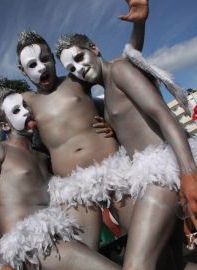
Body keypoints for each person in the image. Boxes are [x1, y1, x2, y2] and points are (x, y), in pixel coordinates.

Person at [0, 1, 148, 253]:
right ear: (22, 70)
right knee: (85, 255)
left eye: (45, 59)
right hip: (73, 187)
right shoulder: (27, 101)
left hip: (114, 169)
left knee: (145, 242)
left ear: (53, 57)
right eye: (32, 65)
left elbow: (119, 68)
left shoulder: (75, 80)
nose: (41, 67)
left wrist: (139, 25)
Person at [55, 29, 197, 270]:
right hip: (146, 179)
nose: (78, 69)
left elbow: (162, 115)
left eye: (79, 59)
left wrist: (188, 173)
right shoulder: (107, 93)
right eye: (71, 69)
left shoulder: (119, 70)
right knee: (173, 263)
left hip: (164, 172)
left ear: (94, 48)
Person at [0, 88, 125, 270]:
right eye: (17, 110)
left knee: (84, 199)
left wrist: (108, 130)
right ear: (5, 125)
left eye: (26, 105)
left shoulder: (42, 156)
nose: (26, 111)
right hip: (27, 245)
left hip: (57, 232)